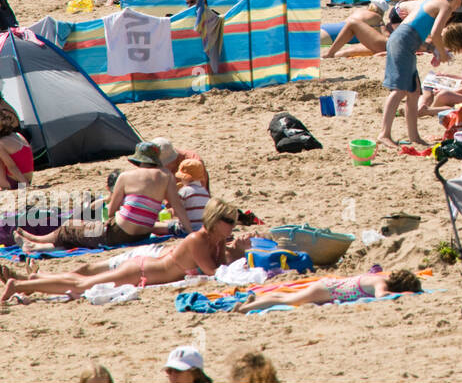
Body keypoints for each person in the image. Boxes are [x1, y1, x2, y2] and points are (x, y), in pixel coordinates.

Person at [2, 199, 242, 304]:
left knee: (84, 281)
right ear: (214, 219)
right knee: (83, 285)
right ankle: (19, 285)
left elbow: (219, 267)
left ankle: (36, 280)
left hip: (145, 269)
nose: (232, 225)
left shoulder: (214, 240)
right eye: (228, 221)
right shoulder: (197, 240)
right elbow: (214, 272)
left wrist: (225, 245)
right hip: (139, 271)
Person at [377, 0, 462, 149]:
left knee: (414, 91)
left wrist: (433, 49)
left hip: (402, 42)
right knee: (398, 91)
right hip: (402, 43)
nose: (458, 8)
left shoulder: (432, 2)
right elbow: (436, 32)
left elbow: (413, 29)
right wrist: (442, 52)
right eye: (461, 2)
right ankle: (384, 134)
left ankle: (414, 136)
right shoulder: (445, 5)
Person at [234, 270, 422, 312]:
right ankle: (244, 309)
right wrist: (406, 295)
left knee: (288, 296)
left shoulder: (379, 278)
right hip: (327, 291)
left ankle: (256, 299)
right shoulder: (381, 284)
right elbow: (382, 296)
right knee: (287, 302)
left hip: (327, 286)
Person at [418, 22, 462, 112]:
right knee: (430, 84)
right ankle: (422, 108)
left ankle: (428, 111)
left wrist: (451, 92)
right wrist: (447, 76)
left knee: (444, 95)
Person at [0, 106, 34, 190]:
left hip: (16, 183)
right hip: (28, 179)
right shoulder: (18, 135)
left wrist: (25, 185)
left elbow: (12, 167)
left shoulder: (1, 144)